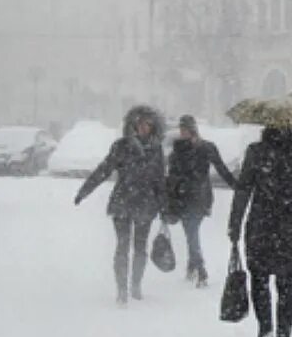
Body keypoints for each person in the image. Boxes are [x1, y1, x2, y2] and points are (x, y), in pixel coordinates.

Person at [228, 127, 292, 337]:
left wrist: (235, 224)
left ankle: (269, 332)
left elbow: (244, 189)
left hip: (264, 225)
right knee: (283, 284)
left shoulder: (260, 152)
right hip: (285, 227)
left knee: (265, 282)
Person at [74, 105, 166, 304]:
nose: (144, 128)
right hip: (123, 202)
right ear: (133, 124)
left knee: (140, 247)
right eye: (140, 123)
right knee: (122, 246)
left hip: (146, 203)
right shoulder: (121, 146)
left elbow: (160, 179)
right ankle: (122, 289)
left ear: (153, 127)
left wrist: (164, 206)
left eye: (148, 124)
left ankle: (136, 285)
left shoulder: (156, 149)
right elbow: (104, 170)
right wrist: (84, 191)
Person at [166, 114, 237, 287]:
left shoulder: (206, 148)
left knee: (192, 231)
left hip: (199, 197)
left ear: (193, 129)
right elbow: (171, 177)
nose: (183, 133)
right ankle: (192, 265)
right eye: (181, 130)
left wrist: (236, 186)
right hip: (183, 198)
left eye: (186, 129)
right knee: (189, 232)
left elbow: (221, 168)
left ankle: (200, 270)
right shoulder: (176, 151)